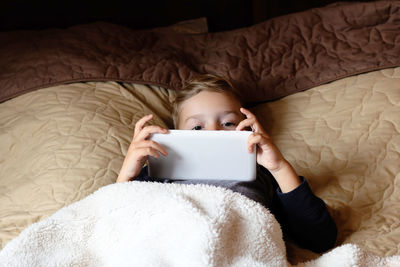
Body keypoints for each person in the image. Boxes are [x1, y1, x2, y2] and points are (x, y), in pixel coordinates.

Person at [116, 74, 337, 253]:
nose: (214, 131)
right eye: (197, 128)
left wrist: (279, 168)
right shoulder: (161, 173)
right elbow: (117, 224)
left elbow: (320, 238)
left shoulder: (260, 175)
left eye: (228, 123)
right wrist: (126, 175)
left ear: (248, 129)